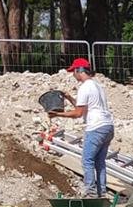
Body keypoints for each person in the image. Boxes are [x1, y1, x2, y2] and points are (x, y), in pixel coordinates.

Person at [48, 57, 115, 197]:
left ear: (80, 71)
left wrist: (58, 115)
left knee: (87, 160)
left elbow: (78, 113)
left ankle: (90, 192)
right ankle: (101, 192)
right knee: (100, 161)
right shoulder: (97, 86)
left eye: (74, 71)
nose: (73, 75)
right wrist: (69, 98)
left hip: (96, 127)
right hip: (108, 126)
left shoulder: (85, 87)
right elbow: (83, 107)